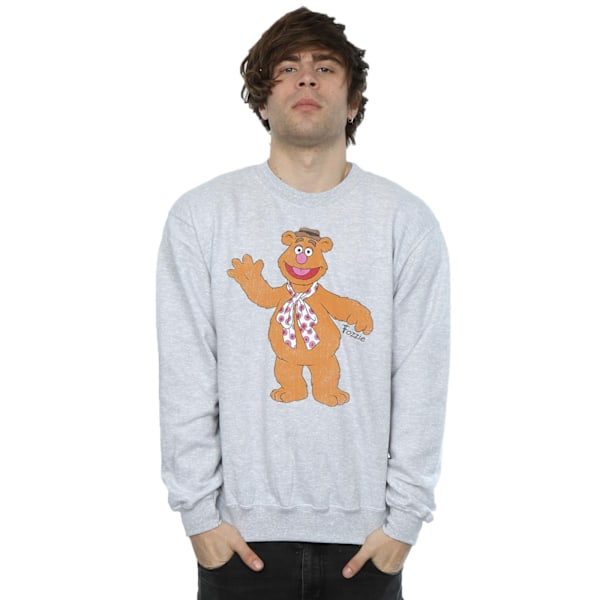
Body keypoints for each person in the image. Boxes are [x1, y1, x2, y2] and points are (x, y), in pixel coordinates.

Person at [157, 6, 450, 599]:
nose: (307, 78)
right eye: (287, 68)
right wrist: (200, 517)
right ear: (262, 101)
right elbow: (186, 371)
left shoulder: (405, 221)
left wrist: (404, 523)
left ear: (354, 101)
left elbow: (422, 376)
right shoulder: (202, 216)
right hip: (238, 539)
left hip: (367, 543)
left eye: (325, 67)